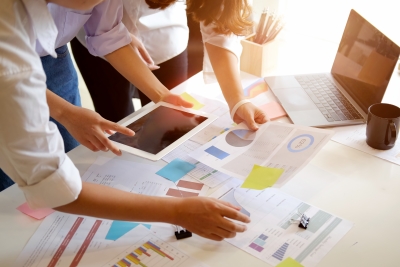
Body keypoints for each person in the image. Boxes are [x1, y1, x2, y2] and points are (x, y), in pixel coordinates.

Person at [0, 0, 250, 241]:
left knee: (67, 165)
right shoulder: (9, 47)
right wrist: (177, 212)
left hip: (44, 56)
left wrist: (162, 96)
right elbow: (53, 187)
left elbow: (106, 33)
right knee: (12, 198)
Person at [71, 0, 267, 130]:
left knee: (166, 127)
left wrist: (237, 101)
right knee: (118, 121)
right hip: (96, 39)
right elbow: (105, 33)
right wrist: (116, 34)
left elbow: (220, 26)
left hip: (165, 38)